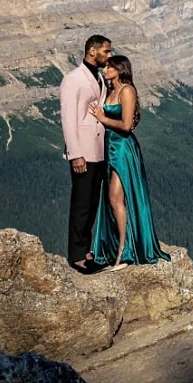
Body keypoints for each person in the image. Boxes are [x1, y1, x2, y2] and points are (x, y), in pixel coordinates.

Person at [89, 55, 170, 270]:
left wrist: (102, 117)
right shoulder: (109, 90)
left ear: (120, 69)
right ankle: (115, 249)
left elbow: (126, 125)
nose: (105, 69)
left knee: (115, 198)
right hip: (109, 147)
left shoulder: (127, 90)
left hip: (123, 148)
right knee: (111, 200)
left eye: (109, 67)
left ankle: (125, 253)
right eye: (105, 66)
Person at [60, 34, 111, 274]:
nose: (109, 56)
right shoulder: (73, 79)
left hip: (98, 151)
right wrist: (75, 154)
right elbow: (68, 120)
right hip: (83, 152)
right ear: (92, 51)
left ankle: (87, 250)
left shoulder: (99, 76)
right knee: (81, 204)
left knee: (92, 203)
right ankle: (77, 255)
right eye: (106, 51)